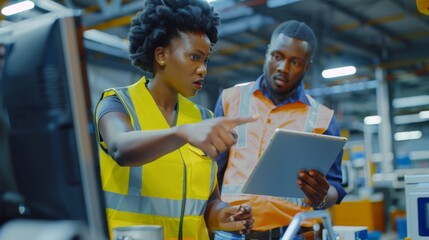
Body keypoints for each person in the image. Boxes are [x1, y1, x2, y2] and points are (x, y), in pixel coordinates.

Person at [94, 0, 256, 239]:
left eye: (206, 60)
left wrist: (223, 215)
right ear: (161, 55)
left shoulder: (203, 118)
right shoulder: (118, 103)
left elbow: (207, 202)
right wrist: (183, 133)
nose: (203, 69)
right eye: (194, 57)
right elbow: (120, 147)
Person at [214, 20, 347, 240]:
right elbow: (213, 172)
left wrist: (322, 196)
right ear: (267, 53)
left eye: (295, 62)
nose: (283, 68)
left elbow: (335, 188)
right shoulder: (230, 100)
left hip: (291, 234)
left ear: (307, 67)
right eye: (277, 56)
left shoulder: (323, 118)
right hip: (231, 233)